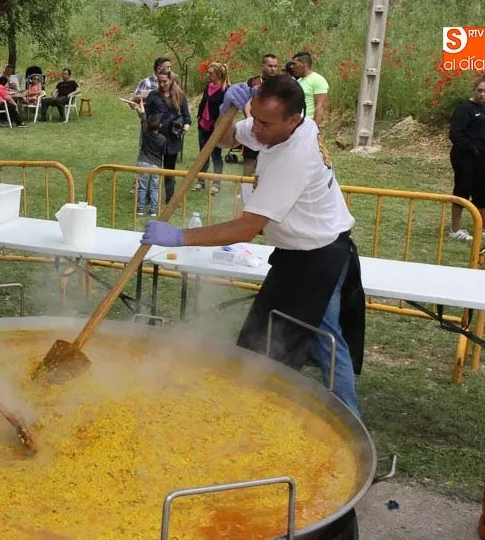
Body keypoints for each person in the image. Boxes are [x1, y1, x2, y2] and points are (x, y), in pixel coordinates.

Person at [139, 75, 364, 416]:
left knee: (322, 341)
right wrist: (224, 110)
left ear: (294, 119)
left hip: (320, 258)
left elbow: (247, 228)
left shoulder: (296, 156)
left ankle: (348, 422)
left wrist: (179, 237)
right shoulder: (274, 126)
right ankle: (255, 406)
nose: (256, 128)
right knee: (271, 338)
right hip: (295, 255)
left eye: (265, 123)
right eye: (254, 117)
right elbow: (226, 139)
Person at [448, 76, 485, 242]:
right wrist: (471, 149)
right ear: (474, 90)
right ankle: (455, 229)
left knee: (483, 191)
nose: (482, 94)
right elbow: (455, 134)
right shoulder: (464, 108)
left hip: (481, 159)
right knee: (463, 189)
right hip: (464, 156)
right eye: (479, 90)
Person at [144, 71, 191, 204]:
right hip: (156, 138)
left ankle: (170, 198)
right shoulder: (153, 95)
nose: (162, 84)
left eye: (164, 81)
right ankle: (148, 197)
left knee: (170, 170)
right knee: (152, 169)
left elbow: (187, 116)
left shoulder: (179, 95)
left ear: (171, 80)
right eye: (159, 82)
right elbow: (146, 115)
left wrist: (185, 126)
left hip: (172, 139)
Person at [193, 62, 229, 195]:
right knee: (203, 153)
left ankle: (216, 183)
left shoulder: (226, 90)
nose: (208, 75)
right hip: (203, 124)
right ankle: (201, 181)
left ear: (218, 74)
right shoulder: (208, 86)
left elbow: (226, 111)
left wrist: (221, 127)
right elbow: (204, 102)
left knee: (216, 155)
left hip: (216, 127)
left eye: (210, 73)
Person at [242, 54, 280, 179]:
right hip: (254, 124)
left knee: (270, 159)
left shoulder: (281, 82)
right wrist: (249, 119)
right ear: (262, 65)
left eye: (275, 66)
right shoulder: (252, 81)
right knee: (249, 158)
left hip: (272, 127)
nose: (273, 69)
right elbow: (247, 102)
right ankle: (245, 188)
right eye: (270, 66)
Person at [131, 100, 166, 216]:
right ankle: (153, 210)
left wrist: (141, 110)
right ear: (160, 126)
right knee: (154, 188)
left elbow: (143, 120)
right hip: (156, 165)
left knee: (142, 187)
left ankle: (140, 209)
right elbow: (163, 152)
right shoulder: (163, 139)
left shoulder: (145, 133)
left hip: (143, 163)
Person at [291, 51, 329, 125]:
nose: (292, 67)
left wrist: (314, 130)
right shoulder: (297, 81)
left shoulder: (318, 80)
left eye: (294, 64)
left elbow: (320, 107)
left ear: (304, 64)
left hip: (307, 125)